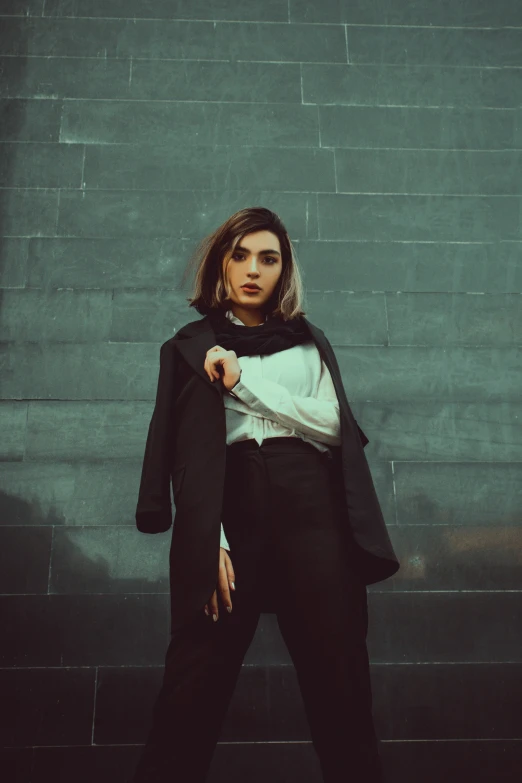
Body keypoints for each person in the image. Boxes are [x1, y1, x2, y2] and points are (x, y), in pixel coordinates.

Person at [132, 207, 400, 783]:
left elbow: (336, 426)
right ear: (222, 264)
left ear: (285, 270)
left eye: (269, 258)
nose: (254, 269)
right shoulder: (188, 348)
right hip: (231, 507)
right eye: (241, 255)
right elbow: (183, 455)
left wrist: (242, 382)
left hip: (314, 510)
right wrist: (211, 540)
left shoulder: (309, 343)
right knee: (189, 694)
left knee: (342, 690)